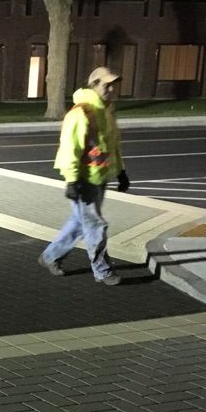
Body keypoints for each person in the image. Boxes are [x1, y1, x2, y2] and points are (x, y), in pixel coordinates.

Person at [38, 65, 130, 286]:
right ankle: (102, 271)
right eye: (106, 84)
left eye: (113, 85)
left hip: (100, 177)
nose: (111, 89)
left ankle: (50, 256)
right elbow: (70, 148)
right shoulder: (80, 113)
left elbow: (113, 144)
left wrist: (120, 171)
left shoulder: (107, 110)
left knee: (81, 222)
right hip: (84, 179)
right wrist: (72, 181)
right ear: (94, 84)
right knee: (95, 224)